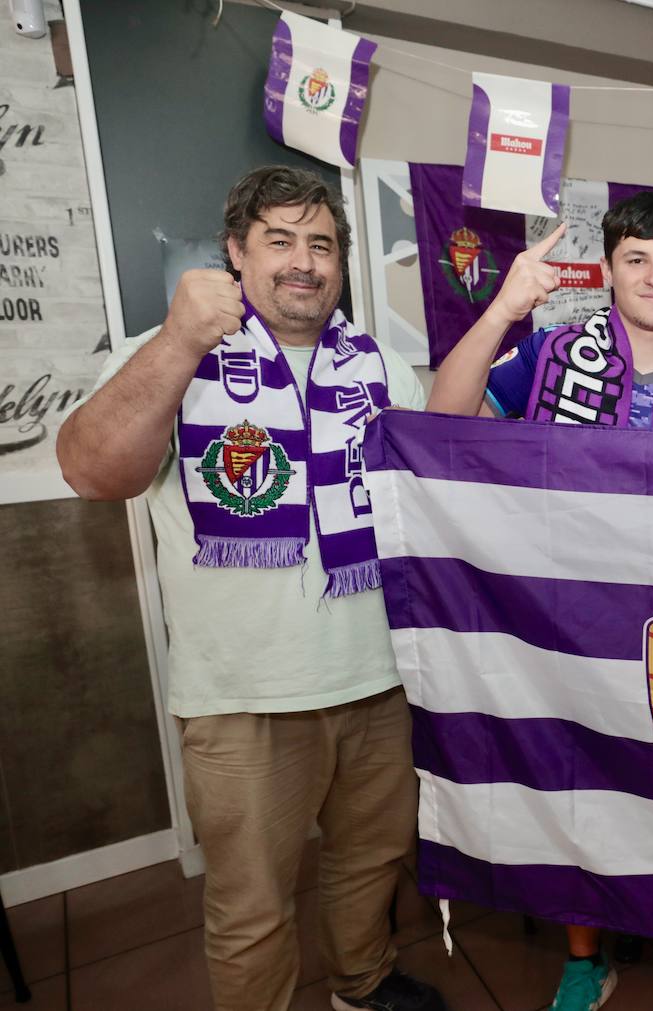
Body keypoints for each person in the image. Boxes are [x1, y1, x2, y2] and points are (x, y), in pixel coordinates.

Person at [56, 167, 444, 1011]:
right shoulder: (166, 356)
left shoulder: (379, 367)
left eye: (321, 244)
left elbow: (446, 479)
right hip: (242, 696)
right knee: (252, 904)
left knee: (369, 862)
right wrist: (179, 342)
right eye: (279, 240)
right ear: (235, 253)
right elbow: (91, 470)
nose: (303, 262)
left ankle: (362, 986)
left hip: (377, 681)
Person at [427, 191, 653, 1011]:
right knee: (573, 786)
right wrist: (503, 309)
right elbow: (444, 416)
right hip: (562, 621)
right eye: (637, 259)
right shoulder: (548, 354)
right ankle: (584, 958)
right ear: (608, 269)